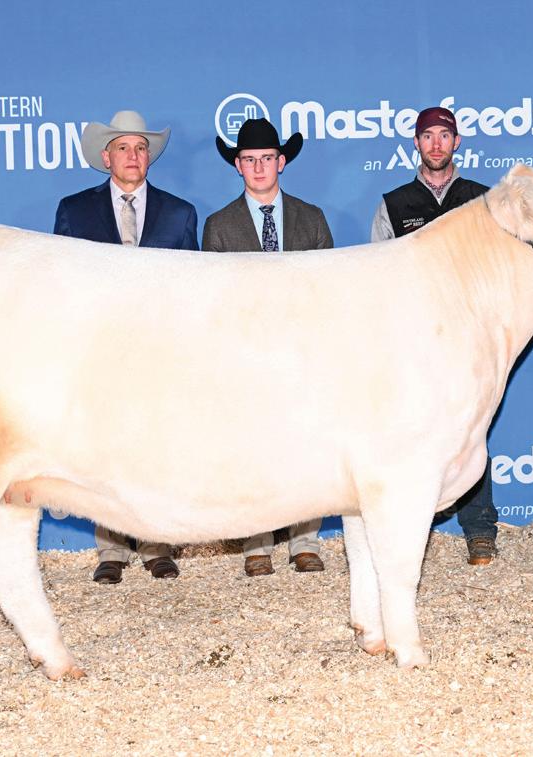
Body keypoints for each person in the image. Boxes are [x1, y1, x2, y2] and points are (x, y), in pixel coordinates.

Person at [54, 110, 198, 584]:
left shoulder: (179, 213)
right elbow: (62, 283)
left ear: (149, 157)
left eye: (140, 148)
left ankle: (157, 544)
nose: (132, 156)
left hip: (160, 349)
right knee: (103, 448)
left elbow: (192, 287)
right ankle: (111, 550)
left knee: (157, 444)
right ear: (106, 157)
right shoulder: (75, 210)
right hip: (99, 349)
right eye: (123, 147)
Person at [202, 117, 333, 577]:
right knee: (252, 449)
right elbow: (213, 301)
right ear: (238, 166)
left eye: (266, 158)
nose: (259, 167)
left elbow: (328, 291)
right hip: (247, 355)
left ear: (281, 162)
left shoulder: (311, 218)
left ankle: (304, 542)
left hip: (303, 352)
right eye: (249, 159)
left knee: (308, 446)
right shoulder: (219, 226)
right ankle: (256, 543)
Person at [370, 106, 500, 566]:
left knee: (473, 430)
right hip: (416, 339)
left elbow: (503, 267)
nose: (437, 144)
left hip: (473, 337)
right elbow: (380, 273)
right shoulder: (394, 203)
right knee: (414, 432)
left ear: (457, 141)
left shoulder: (485, 199)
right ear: (416, 143)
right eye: (428, 136)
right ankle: (411, 530)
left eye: (445, 135)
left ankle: (480, 528)